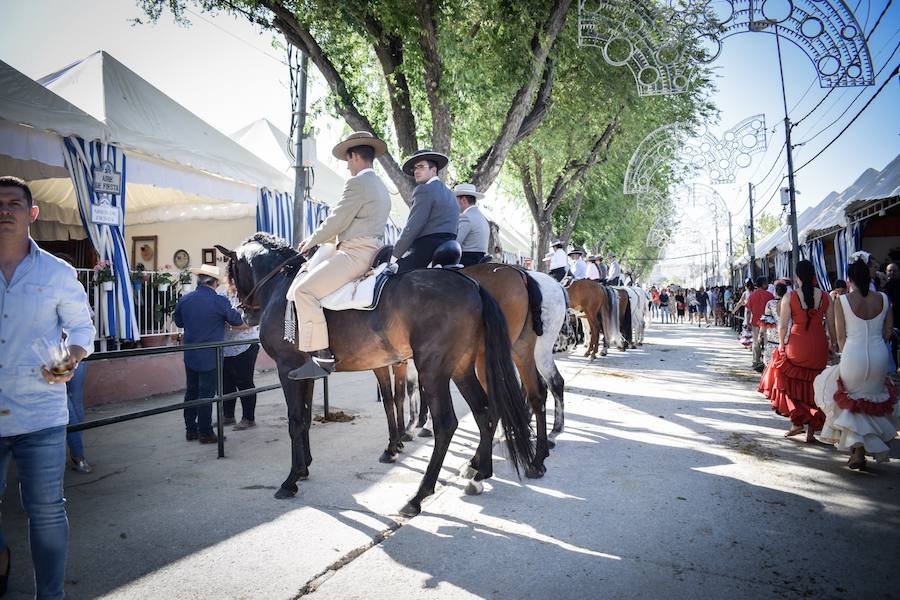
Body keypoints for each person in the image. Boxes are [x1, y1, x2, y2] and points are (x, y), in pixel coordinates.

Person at [0, 176, 96, 599]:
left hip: (40, 412)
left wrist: (71, 358)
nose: (5, 210)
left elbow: (81, 329)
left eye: (14, 203)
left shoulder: (58, 272)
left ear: (31, 213)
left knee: (45, 512)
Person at [287, 131, 391, 379]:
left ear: (355, 157)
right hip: (373, 250)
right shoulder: (381, 187)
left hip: (355, 253)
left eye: (347, 160)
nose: (346, 166)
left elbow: (337, 220)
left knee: (304, 291)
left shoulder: (357, 184)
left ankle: (321, 357)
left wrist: (310, 241)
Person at [814, 251, 900, 469]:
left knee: (852, 403)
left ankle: (857, 452)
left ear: (850, 278)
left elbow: (840, 336)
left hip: (853, 352)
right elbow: (888, 331)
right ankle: (866, 448)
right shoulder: (883, 298)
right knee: (872, 400)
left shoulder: (842, 301)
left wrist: (848, 352)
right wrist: (876, 344)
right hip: (879, 353)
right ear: (869, 276)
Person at [758, 261, 829, 442]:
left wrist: (781, 344)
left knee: (789, 381)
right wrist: (833, 345)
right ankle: (812, 430)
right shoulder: (825, 296)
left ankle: (797, 423)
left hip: (798, 343)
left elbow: (782, 326)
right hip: (819, 343)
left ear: (797, 276)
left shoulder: (790, 297)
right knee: (816, 384)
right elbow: (832, 325)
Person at [173, 264, 244, 442]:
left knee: (191, 392)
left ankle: (191, 429)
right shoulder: (219, 301)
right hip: (211, 355)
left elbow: (179, 323)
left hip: (190, 353)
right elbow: (235, 320)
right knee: (206, 394)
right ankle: (205, 432)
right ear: (214, 283)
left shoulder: (185, 299)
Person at [53, 253, 92, 474]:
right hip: (72, 352)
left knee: (68, 406)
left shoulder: (52, 286)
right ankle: (78, 454)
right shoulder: (76, 289)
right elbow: (86, 321)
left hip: (59, 354)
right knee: (73, 403)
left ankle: (77, 454)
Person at [392, 149, 458, 273]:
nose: (416, 171)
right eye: (415, 168)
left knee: (386, 275)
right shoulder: (451, 195)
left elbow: (413, 227)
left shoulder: (424, 190)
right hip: (450, 252)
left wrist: (394, 256)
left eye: (421, 167)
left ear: (433, 170)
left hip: (426, 253)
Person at [221, 282, 260, 430]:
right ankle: (228, 416)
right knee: (226, 382)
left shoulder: (250, 295)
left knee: (244, 381)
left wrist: (235, 324)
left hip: (246, 343)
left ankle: (248, 418)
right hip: (226, 344)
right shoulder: (223, 294)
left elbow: (255, 319)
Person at [452, 183, 490, 267]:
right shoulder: (481, 217)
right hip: (479, 259)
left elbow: (455, 243)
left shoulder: (466, 217)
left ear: (463, 200)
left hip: (466, 261)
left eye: (455, 200)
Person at [745, 277, 774, 371]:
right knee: (767, 342)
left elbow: (748, 311)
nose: (768, 285)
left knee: (755, 342)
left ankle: (756, 361)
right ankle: (767, 362)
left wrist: (748, 322)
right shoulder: (770, 295)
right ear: (764, 284)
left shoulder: (752, 295)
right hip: (767, 323)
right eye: (766, 283)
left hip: (755, 322)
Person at [761, 282, 788, 366]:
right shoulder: (789, 303)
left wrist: (761, 333)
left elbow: (766, 321)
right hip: (786, 336)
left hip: (772, 336)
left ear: (775, 291)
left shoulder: (770, 303)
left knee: (770, 363)